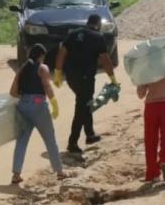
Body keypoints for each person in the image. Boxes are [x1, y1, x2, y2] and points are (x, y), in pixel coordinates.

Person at [53, 14, 118, 154]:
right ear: (98, 24)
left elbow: (62, 53)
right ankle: (72, 142)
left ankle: (90, 134)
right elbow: (105, 60)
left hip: (71, 77)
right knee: (81, 108)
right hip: (85, 78)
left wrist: (58, 72)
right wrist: (112, 77)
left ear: (87, 23)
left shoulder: (73, 34)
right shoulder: (98, 37)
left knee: (85, 102)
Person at [9, 44, 68, 184]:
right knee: (50, 139)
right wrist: (53, 102)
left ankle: (16, 174)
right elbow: (47, 86)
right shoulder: (42, 68)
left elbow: (13, 91)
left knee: (22, 141)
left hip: (23, 105)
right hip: (38, 105)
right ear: (41, 55)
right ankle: (59, 172)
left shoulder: (22, 69)